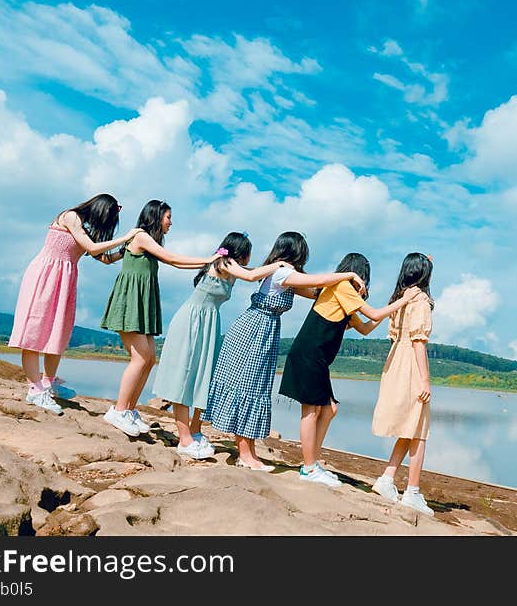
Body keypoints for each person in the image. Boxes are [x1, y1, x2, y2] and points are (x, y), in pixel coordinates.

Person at [201, 231, 366, 471]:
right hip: (254, 330)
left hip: (264, 331)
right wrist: (349, 273)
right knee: (247, 387)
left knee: (255, 388)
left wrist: (347, 293)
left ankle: (249, 453)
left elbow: (316, 293)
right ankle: (245, 454)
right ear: (297, 252)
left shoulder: (286, 276)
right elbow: (316, 282)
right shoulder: (283, 273)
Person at [278, 253, 421, 487]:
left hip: (317, 358)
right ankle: (309, 467)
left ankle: (311, 462)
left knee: (329, 409)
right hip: (309, 354)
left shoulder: (344, 295)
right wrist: (402, 301)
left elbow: (365, 327)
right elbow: (373, 314)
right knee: (311, 411)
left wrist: (392, 309)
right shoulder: (342, 286)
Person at [150, 232, 291, 460]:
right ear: (239, 251)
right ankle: (184, 438)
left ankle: (195, 430)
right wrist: (279, 264)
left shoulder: (233, 266)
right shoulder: (225, 263)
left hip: (209, 323)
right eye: (248, 252)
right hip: (192, 322)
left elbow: (252, 272)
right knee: (185, 378)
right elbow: (252, 276)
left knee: (204, 378)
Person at [8, 194, 139, 415]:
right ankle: (35, 389)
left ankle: (49, 383)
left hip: (65, 281)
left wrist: (127, 248)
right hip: (46, 275)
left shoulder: (85, 231)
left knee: (57, 332)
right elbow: (94, 248)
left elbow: (104, 258)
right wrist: (126, 237)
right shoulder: (70, 217)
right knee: (35, 331)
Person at [100, 200, 220, 437]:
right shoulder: (142, 236)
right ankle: (118, 410)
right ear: (156, 217)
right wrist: (208, 260)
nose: (171, 222)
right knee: (140, 358)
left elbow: (106, 258)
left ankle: (129, 410)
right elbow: (172, 260)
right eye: (168, 217)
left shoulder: (145, 240)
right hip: (131, 300)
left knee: (149, 358)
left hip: (143, 301)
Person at [369, 252, 435, 516]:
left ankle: (387, 478)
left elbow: (395, 336)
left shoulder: (399, 298)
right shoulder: (420, 300)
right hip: (410, 364)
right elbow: (418, 341)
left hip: (395, 361)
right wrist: (426, 379)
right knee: (419, 431)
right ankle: (413, 492)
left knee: (409, 428)